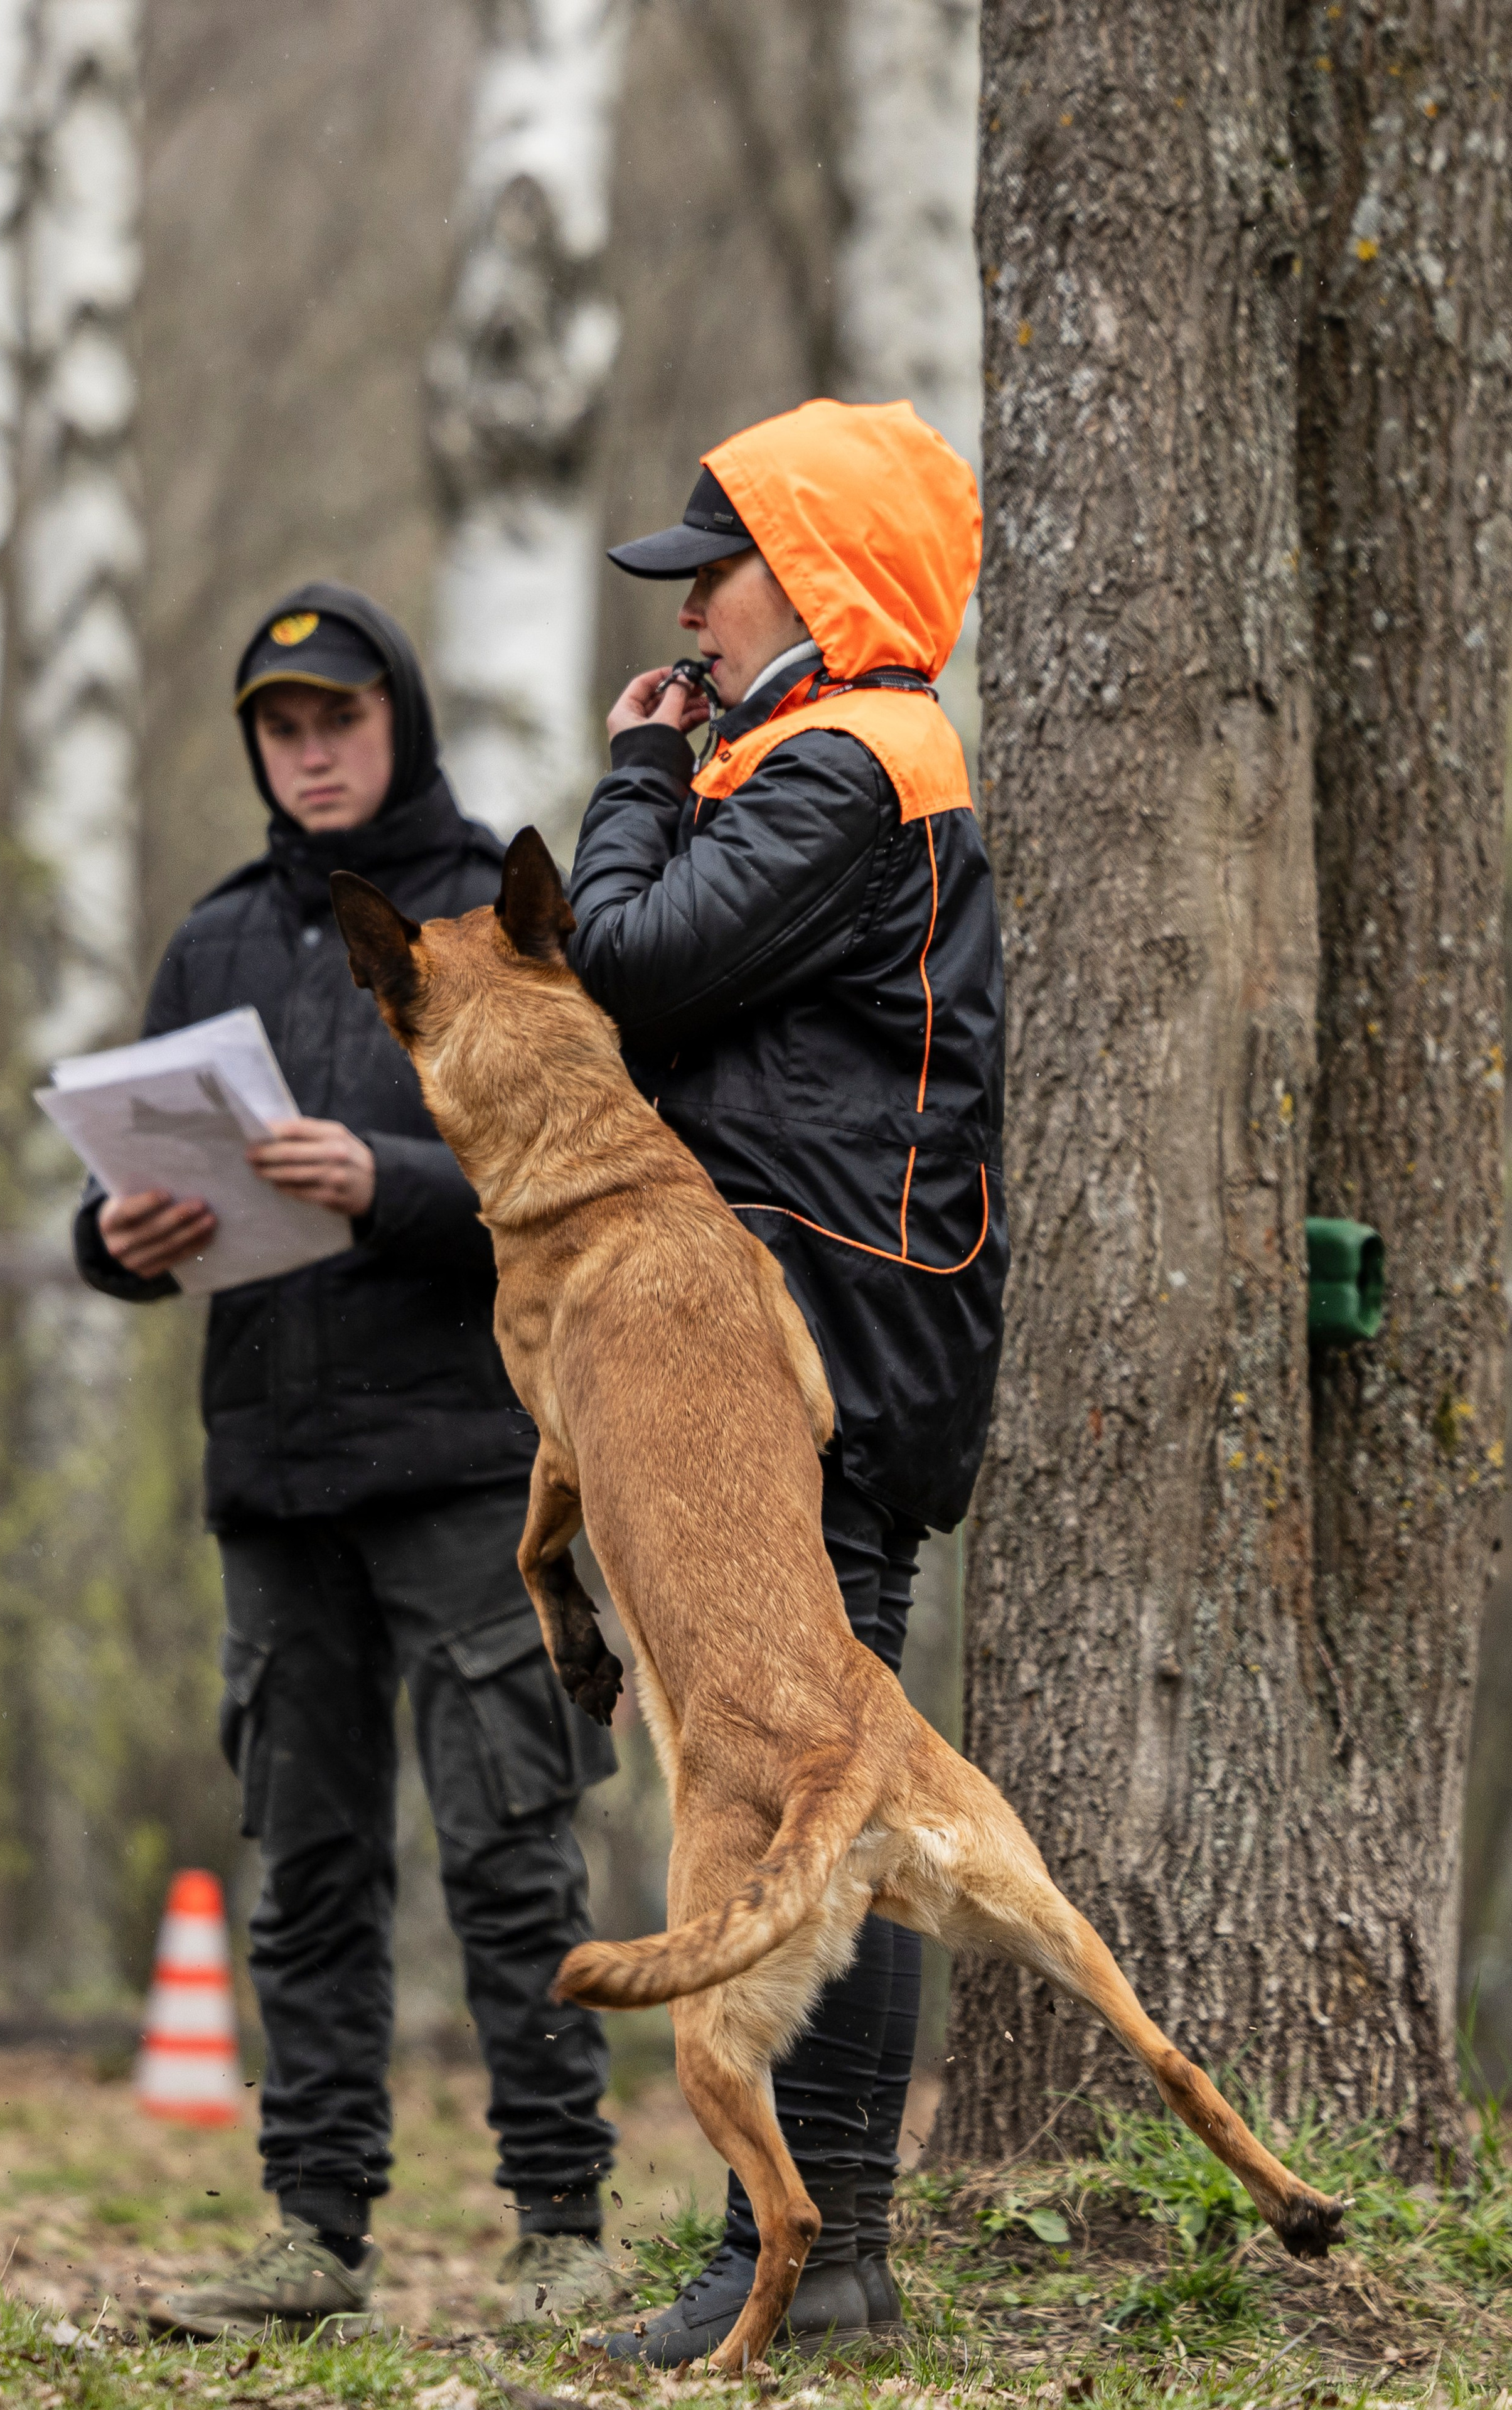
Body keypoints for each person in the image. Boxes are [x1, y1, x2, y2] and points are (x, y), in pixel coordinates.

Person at [73, 583, 621, 2338]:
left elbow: (580, 1176)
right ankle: (314, 2240)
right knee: (307, 1873)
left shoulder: (492, 913)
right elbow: (103, 1224)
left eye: (339, 721)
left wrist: (381, 1183)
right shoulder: (218, 935)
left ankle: (564, 2229)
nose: (310, 755)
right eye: (280, 729)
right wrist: (121, 1237)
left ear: (401, 722)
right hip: (273, 1480)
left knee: (510, 1851)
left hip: (468, 1470)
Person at [567, 400, 1007, 2362]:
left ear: (817, 580)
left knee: (813, 1812)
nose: (698, 621)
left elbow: (634, 964)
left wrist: (640, 772)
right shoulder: (822, 761)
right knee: (835, 1802)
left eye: (714, 581)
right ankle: (818, 2247)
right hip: (819, 1340)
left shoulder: (851, 765)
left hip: (833, 1353)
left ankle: (815, 2248)